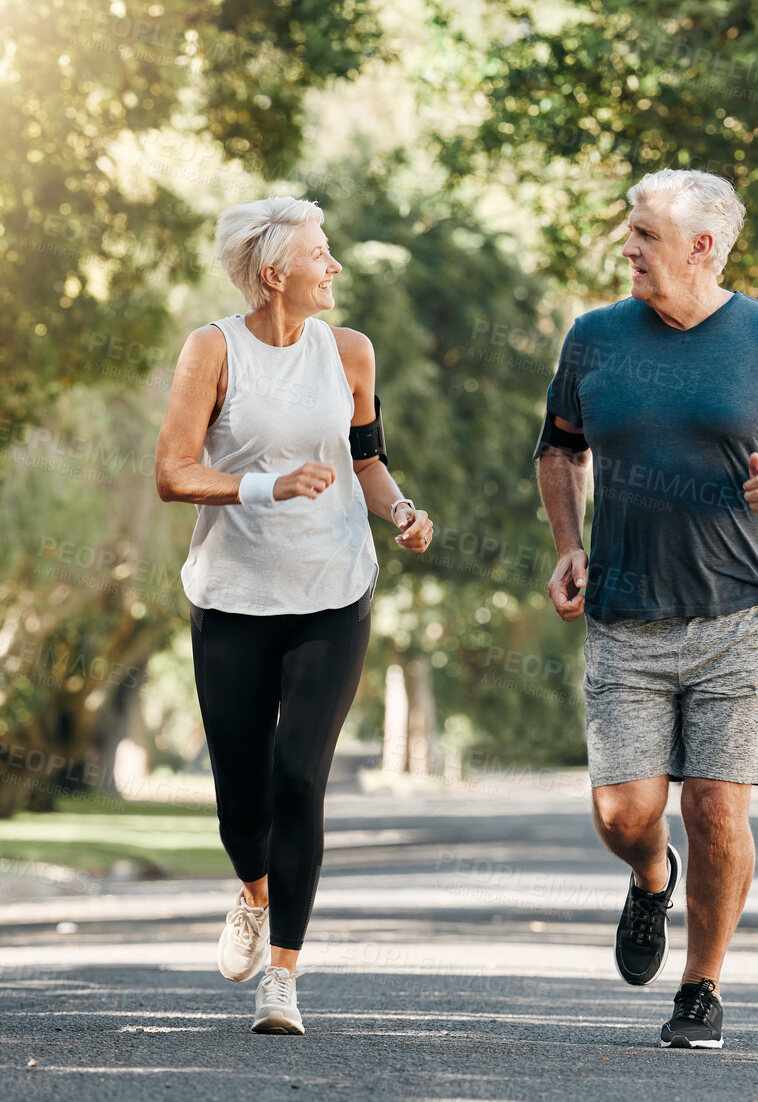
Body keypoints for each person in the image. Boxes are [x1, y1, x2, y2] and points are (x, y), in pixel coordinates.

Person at [534, 169, 758, 1048]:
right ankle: (650, 878)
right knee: (624, 815)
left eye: (643, 233)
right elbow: (559, 452)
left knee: (718, 808)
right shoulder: (595, 339)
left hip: (739, 618)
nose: (628, 246)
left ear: (701, 246)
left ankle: (702, 985)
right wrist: (569, 543)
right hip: (623, 614)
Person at [155, 196, 433, 1035]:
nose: (334, 266)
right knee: (240, 797)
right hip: (232, 593)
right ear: (275, 273)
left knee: (298, 776)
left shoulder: (349, 352)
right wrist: (263, 485)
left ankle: (284, 975)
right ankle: (252, 891)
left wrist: (399, 510)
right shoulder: (213, 351)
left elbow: (367, 460)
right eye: (321, 254)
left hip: (332, 588)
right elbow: (173, 472)